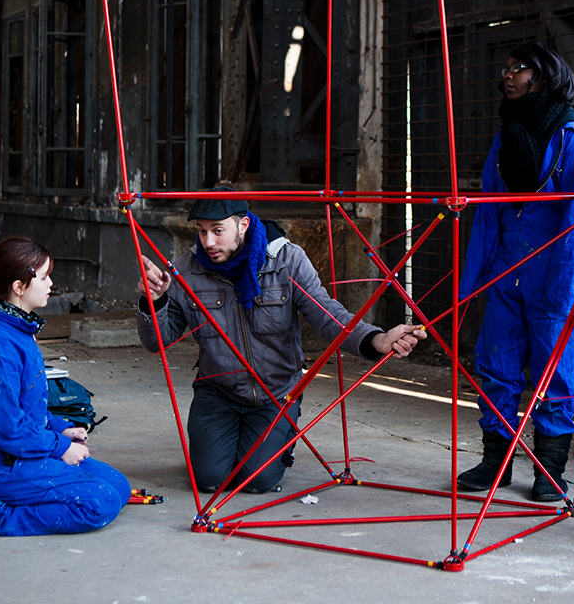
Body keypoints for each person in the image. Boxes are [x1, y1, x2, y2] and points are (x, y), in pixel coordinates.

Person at [136, 189, 426, 493]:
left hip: (276, 393)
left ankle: (275, 438)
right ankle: (226, 445)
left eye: (218, 231)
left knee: (257, 480)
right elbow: (158, 341)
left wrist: (377, 340)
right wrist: (154, 301)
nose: (207, 242)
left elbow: (328, 316)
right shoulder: (186, 270)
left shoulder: (287, 260)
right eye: (201, 231)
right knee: (209, 480)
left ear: (243, 225)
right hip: (218, 391)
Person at [457, 42, 574, 500]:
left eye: (517, 69)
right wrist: (471, 282)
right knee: (496, 366)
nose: (508, 75)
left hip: (552, 280)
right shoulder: (505, 138)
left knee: (554, 374)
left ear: (542, 78)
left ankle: (549, 470)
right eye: (506, 68)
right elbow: (487, 212)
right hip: (506, 275)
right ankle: (494, 463)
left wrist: (562, 288)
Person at [0, 236, 131, 536]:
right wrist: (60, 448)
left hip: (17, 452)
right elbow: (9, 430)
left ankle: (18, 498)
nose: (50, 284)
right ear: (19, 287)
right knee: (101, 502)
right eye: (44, 277)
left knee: (119, 486)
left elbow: (24, 410)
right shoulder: (0, 350)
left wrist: (61, 429)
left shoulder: (20, 330)